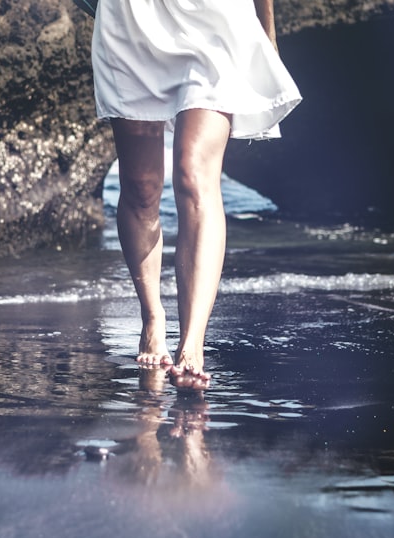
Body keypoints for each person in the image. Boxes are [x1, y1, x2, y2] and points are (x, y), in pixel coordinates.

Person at [92, 0, 301, 390]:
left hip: (214, 19)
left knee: (194, 175)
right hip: (131, 20)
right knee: (141, 186)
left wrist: (266, 31)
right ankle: (153, 319)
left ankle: (193, 342)